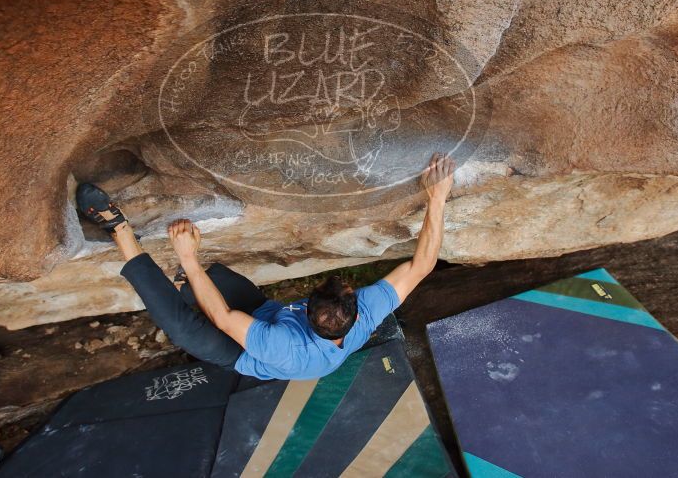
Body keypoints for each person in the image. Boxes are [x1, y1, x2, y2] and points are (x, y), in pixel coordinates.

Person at [76, 153, 455, 380]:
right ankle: (181, 281)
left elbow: (223, 319)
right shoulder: (365, 314)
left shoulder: (282, 346)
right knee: (214, 281)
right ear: (356, 316)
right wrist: (436, 198)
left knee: (182, 324)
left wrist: (188, 257)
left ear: (304, 310)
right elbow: (422, 265)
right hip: (267, 317)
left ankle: (118, 228)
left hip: (239, 354)